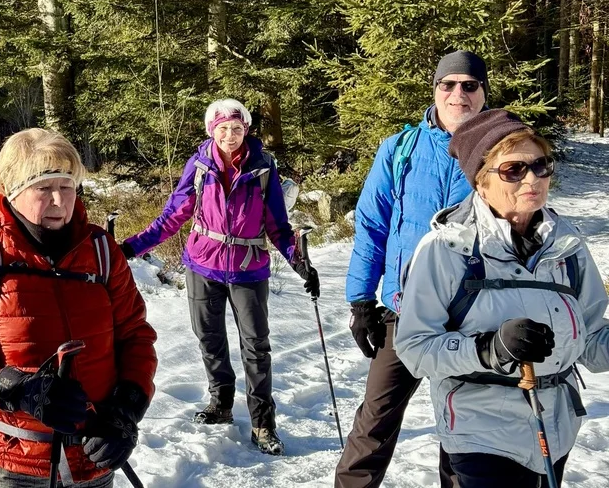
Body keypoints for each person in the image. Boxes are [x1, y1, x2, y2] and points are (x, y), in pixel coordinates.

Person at [0, 128, 158, 488]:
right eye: (43, 188)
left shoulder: (100, 251)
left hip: (93, 455)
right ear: (12, 191)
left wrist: (126, 410)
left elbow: (136, 337)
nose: (58, 201)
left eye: (66, 186)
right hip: (11, 463)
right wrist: (14, 388)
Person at [395, 109, 609, 487]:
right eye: (514, 169)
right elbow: (415, 348)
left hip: (557, 429)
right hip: (481, 433)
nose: (532, 178)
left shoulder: (568, 247)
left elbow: (591, 343)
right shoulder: (446, 249)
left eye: (541, 166)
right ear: (481, 182)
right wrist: (489, 349)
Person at [119, 98, 317, 456]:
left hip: (249, 268)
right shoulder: (199, 166)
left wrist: (299, 262)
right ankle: (222, 402)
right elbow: (172, 216)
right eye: (223, 129)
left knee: (256, 346)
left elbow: (277, 224)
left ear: (246, 130)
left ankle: (262, 423)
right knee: (209, 338)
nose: (230, 135)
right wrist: (130, 248)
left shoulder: (262, 167)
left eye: (237, 129)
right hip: (202, 264)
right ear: (212, 131)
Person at [335, 50, 489, 487]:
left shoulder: (501, 151)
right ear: (435, 90)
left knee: (463, 431)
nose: (458, 93)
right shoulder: (400, 148)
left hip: (471, 316)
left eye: (469, 85)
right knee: (374, 423)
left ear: (483, 93)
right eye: (448, 84)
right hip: (403, 313)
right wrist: (361, 299)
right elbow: (372, 224)